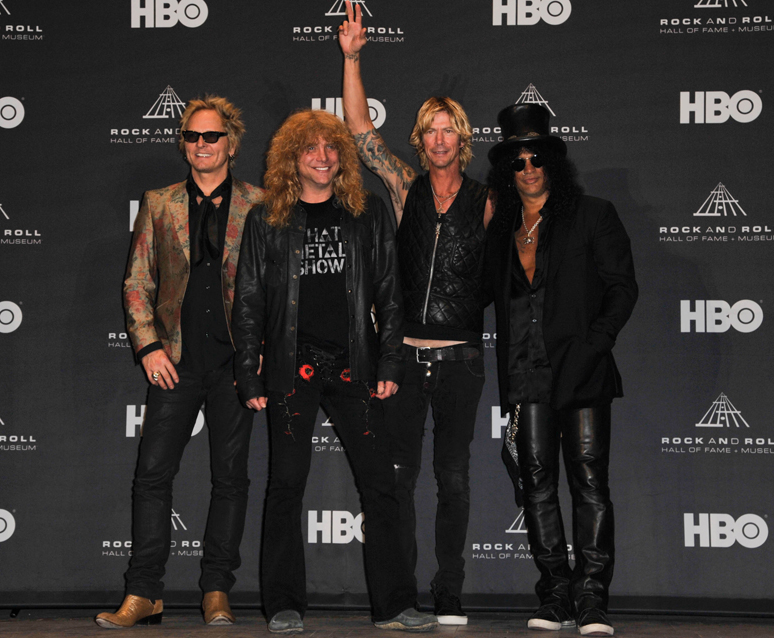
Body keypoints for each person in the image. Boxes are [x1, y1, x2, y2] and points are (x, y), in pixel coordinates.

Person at [231, 109, 437, 634]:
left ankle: (394, 605)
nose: (323, 157)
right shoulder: (266, 220)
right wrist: (249, 372)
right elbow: (249, 301)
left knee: (380, 485)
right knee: (286, 486)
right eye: (310, 149)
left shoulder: (366, 214)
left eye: (331, 148)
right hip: (290, 368)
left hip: (354, 367)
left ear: (342, 157)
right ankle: (283, 604)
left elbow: (391, 293)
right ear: (290, 159)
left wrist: (390, 359)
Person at [337, 1, 492, 625]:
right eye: (428, 131)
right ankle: (397, 596)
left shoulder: (487, 201)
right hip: (402, 359)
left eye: (447, 129)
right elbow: (356, 133)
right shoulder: (404, 188)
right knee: (396, 483)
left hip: (461, 360)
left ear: (464, 138)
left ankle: (448, 592)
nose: (438, 140)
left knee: (453, 481)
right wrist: (351, 59)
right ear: (419, 142)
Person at [96, 96, 263, 629]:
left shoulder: (259, 204)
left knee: (231, 478)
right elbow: (138, 280)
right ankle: (144, 593)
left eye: (211, 136)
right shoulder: (160, 202)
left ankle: (217, 590)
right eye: (192, 136)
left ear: (230, 144)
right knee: (151, 476)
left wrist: (259, 359)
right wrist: (147, 347)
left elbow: (275, 288)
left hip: (237, 362)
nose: (201, 145)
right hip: (176, 361)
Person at [484, 103, 638, 637]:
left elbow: (622, 289)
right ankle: (556, 594)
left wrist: (595, 345)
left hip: (582, 372)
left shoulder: (593, 214)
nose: (527, 168)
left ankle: (592, 596)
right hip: (524, 375)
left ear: (553, 161)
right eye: (517, 161)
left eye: (536, 157)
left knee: (590, 483)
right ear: (507, 171)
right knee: (536, 484)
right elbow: (476, 294)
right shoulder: (501, 230)